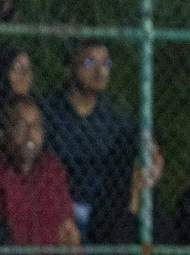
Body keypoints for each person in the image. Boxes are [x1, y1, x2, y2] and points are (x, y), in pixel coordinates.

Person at [0, 96, 130, 255]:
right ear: (1, 132)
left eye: (36, 126)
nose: (30, 134)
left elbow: (67, 233)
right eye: (21, 126)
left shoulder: (52, 171)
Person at [40, 40, 135, 232]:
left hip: (105, 207)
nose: (100, 71)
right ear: (69, 68)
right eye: (90, 63)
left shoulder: (114, 119)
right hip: (60, 204)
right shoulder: (48, 112)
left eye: (106, 64)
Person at [87, 139, 176, 255]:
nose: (154, 162)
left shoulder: (157, 204)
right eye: (148, 156)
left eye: (158, 155)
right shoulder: (108, 199)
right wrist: (134, 195)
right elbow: (115, 252)